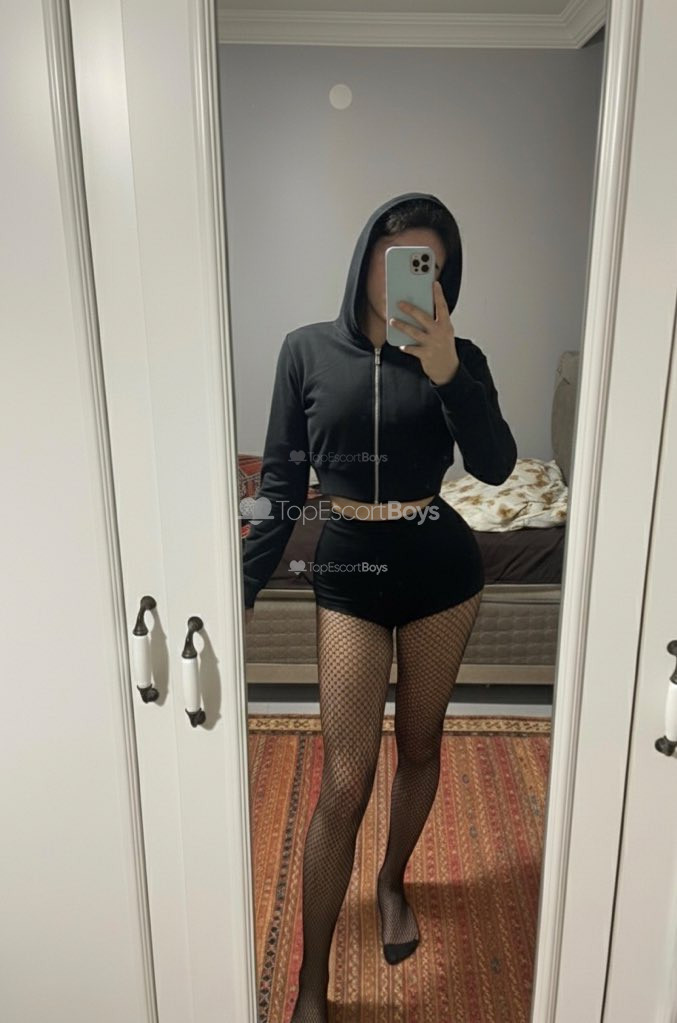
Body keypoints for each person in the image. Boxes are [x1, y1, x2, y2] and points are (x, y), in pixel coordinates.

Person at [242, 192, 517, 1023]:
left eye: (426, 265)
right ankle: (312, 984)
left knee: (421, 744)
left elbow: (496, 466)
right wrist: (237, 590)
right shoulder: (305, 350)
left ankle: (393, 881)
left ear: (443, 278)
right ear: (365, 256)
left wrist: (448, 373)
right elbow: (280, 484)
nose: (405, 276)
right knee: (345, 778)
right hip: (350, 568)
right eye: (394, 257)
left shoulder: (459, 356)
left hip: (440, 566)